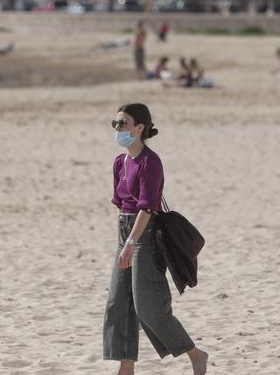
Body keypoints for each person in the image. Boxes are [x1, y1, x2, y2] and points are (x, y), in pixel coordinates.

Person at [106, 104, 209, 375]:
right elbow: (121, 204)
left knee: (149, 308)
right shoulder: (120, 162)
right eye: (115, 124)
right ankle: (125, 368)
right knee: (119, 303)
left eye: (123, 123)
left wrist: (131, 242)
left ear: (140, 128)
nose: (118, 129)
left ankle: (195, 354)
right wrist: (122, 239)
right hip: (125, 231)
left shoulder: (151, 161)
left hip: (145, 234)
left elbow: (148, 207)